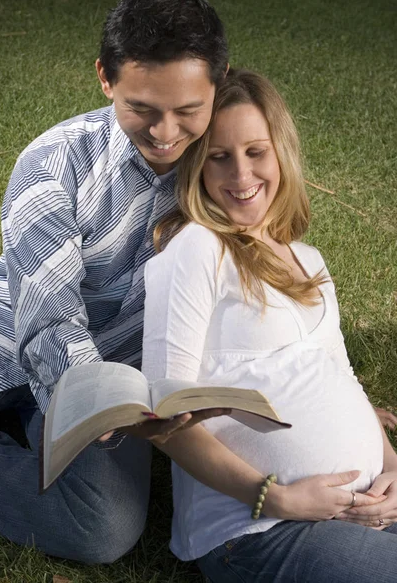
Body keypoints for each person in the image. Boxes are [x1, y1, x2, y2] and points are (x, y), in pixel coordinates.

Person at [0, 0, 229, 564]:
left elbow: (266, 282)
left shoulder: (232, 170)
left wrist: (302, 384)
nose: (165, 133)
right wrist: (92, 407)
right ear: (105, 77)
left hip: (125, 383)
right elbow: (50, 320)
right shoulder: (53, 163)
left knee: (101, 527)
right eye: (142, 108)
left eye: (188, 110)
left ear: (218, 81)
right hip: (23, 347)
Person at [142, 69, 397, 582]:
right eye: (220, 156)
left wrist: (391, 467)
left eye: (255, 152)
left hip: (370, 510)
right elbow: (162, 417)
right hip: (261, 530)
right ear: (198, 165)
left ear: (281, 151)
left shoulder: (308, 258)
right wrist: (277, 497)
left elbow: (341, 377)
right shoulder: (198, 249)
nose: (240, 174)